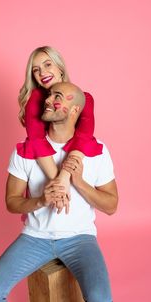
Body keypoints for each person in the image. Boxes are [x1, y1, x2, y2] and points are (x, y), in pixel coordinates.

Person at [0, 82, 118, 302]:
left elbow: (111, 205)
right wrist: (41, 200)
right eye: (48, 95)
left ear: (74, 110)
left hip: (80, 239)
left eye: (57, 96)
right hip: (35, 238)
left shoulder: (97, 151)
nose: (47, 100)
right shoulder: (24, 151)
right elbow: (11, 202)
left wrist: (79, 182)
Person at [17, 46, 103, 212]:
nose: (42, 72)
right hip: (47, 168)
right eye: (36, 70)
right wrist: (59, 185)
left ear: (60, 68)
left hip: (76, 163)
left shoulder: (84, 98)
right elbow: (36, 141)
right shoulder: (35, 100)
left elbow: (83, 137)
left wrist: (64, 178)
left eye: (48, 65)